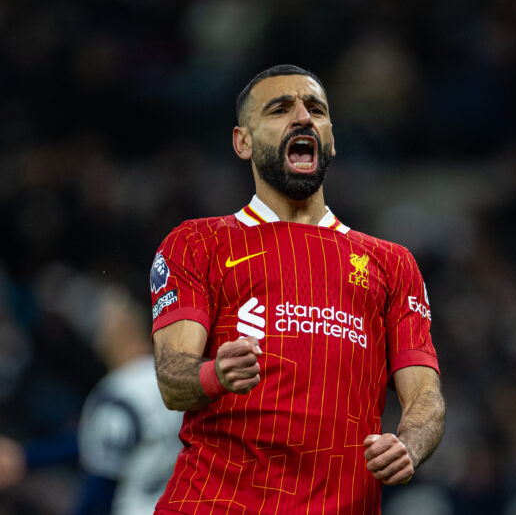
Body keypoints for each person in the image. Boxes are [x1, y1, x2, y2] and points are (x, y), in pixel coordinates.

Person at [150, 64, 445, 514]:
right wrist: (215, 374)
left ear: (331, 140)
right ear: (243, 142)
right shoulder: (197, 243)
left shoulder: (392, 264)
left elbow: (426, 397)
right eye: (280, 109)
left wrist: (408, 444)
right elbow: (172, 379)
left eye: (316, 110)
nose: (303, 117)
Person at [0, 288, 183, 515]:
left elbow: (100, 493)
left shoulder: (118, 394)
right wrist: (29, 458)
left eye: (105, 322)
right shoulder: (182, 382)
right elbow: (103, 437)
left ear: (123, 330)